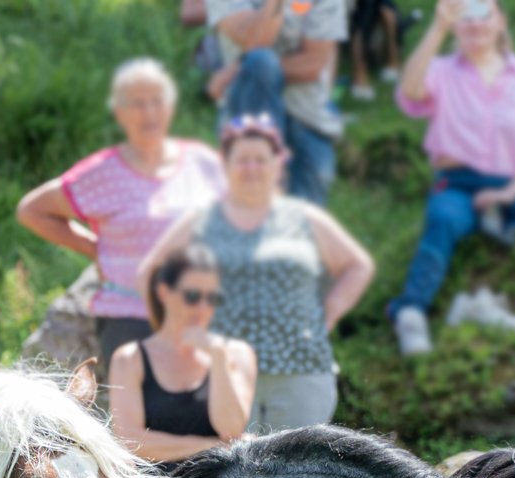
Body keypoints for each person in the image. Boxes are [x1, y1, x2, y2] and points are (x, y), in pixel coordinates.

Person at [140, 117, 372, 433]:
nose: (252, 167)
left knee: (297, 470)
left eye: (261, 159)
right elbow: (152, 271)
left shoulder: (304, 219)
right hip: (222, 370)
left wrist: (329, 313)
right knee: (228, 466)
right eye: (242, 160)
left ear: (279, 163)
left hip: (301, 368)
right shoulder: (201, 221)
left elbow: (358, 266)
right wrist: (173, 334)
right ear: (225, 164)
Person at [390, 0, 515, 357]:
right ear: (455, 26)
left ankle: (502, 220)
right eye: (465, 17)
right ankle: (411, 310)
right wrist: (437, 27)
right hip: (457, 184)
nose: (476, 24)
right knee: (443, 219)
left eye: (485, 14)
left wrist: (510, 193)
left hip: (511, 188)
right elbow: (409, 92)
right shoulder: (441, 70)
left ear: (501, 22)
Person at [15, 58, 226, 379]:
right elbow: (32, 210)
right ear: (119, 112)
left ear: (171, 107)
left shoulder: (202, 162)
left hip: (200, 313)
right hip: (129, 314)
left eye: (157, 101)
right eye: (137, 104)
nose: (149, 112)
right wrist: (93, 247)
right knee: (142, 419)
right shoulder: (103, 173)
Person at [108, 245, 257, 461]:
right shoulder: (129, 359)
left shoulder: (236, 353)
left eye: (213, 298)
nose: (203, 307)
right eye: (193, 296)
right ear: (164, 292)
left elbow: (231, 429)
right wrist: (214, 446)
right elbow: (131, 442)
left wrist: (218, 356)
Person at [204, 0, 350, 204]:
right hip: (246, 113)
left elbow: (312, 64)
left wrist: (236, 69)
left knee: (303, 228)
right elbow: (256, 43)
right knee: (261, 63)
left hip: (307, 117)